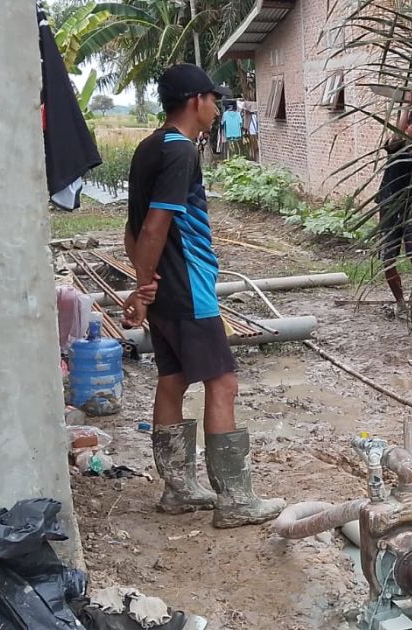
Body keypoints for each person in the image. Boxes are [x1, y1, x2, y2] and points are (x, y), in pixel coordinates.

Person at [122, 64, 285, 529]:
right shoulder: (179, 152)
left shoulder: (147, 147)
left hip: (166, 290)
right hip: (189, 287)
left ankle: (179, 490)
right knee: (223, 381)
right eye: (214, 100)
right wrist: (144, 281)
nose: (217, 109)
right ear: (196, 101)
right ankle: (234, 501)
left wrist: (144, 283)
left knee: (173, 378)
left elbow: (131, 227)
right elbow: (155, 224)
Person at [374, 109, 412, 317]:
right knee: (389, 258)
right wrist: (406, 103)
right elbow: (396, 134)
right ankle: (401, 302)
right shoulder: (396, 146)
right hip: (389, 207)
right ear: (406, 127)